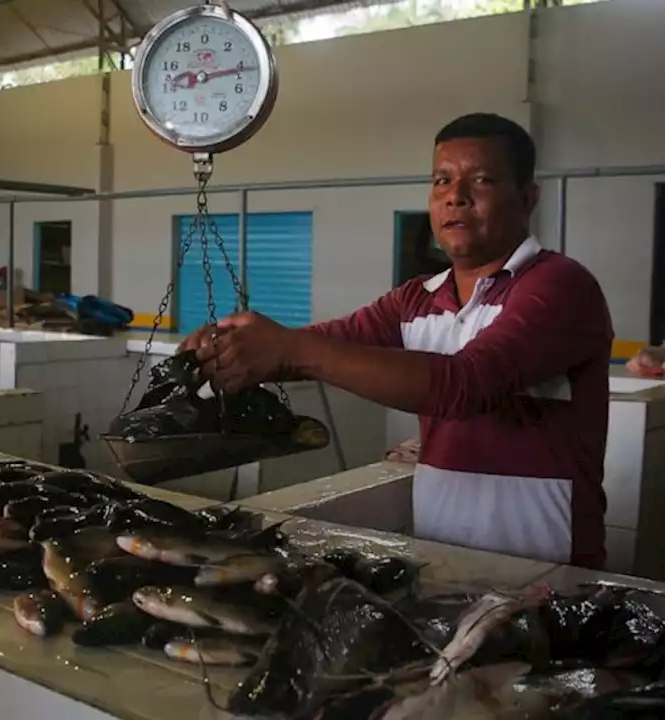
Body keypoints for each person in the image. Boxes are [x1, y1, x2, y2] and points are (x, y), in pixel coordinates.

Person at [181, 113, 614, 570]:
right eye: (442, 181)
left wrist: (286, 348)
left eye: (481, 180)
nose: (455, 197)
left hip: (549, 571)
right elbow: (315, 346)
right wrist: (233, 346)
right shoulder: (416, 299)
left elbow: (465, 385)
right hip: (442, 560)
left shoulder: (560, 285)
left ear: (527, 198)